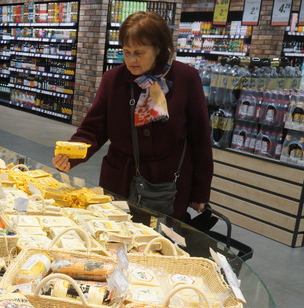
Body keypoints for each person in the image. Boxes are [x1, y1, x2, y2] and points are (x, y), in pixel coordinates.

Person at [53, 11, 213, 219]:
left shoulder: (186, 78)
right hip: (119, 179)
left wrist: (200, 191)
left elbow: (199, 138)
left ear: (159, 49)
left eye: (139, 52)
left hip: (168, 183)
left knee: (159, 245)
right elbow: (93, 129)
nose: (131, 60)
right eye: (126, 52)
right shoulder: (113, 79)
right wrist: (71, 155)